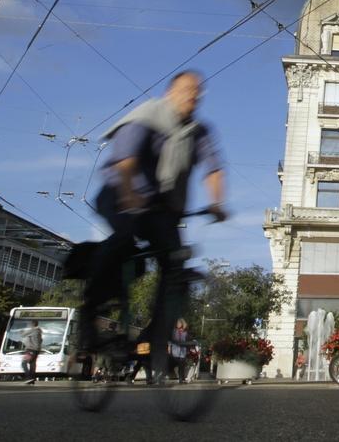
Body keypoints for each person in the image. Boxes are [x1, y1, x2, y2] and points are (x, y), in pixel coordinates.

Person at [80, 70, 228, 375]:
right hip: (119, 192)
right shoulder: (147, 116)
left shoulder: (198, 132)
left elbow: (214, 169)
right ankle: (91, 309)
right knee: (123, 239)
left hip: (160, 209)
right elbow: (126, 161)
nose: (194, 95)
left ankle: (155, 335)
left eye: (198, 91)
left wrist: (217, 203)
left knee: (175, 266)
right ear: (170, 92)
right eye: (188, 89)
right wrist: (130, 197)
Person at [21, 320, 42, 385]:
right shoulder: (39, 331)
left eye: (30, 324)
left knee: (24, 363)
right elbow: (41, 340)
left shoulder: (33, 330)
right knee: (32, 364)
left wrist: (22, 331)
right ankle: (32, 379)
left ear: (32, 324)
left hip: (30, 349)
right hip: (36, 350)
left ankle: (28, 377)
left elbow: (23, 335)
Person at [169, 318, 190, 383]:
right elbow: (170, 340)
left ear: (182, 324)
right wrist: (169, 347)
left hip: (183, 351)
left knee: (181, 365)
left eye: (179, 323)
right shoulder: (174, 331)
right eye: (177, 323)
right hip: (175, 350)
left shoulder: (185, 332)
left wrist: (188, 349)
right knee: (173, 364)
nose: (178, 324)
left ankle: (181, 379)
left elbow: (187, 341)